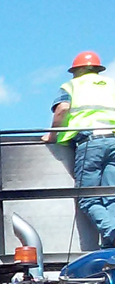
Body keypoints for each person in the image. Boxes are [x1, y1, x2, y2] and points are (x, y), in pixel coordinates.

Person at [45, 51, 115, 247]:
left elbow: (62, 109)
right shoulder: (111, 85)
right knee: (111, 195)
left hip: (90, 143)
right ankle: (111, 243)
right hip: (114, 142)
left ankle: (111, 233)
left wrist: (52, 135)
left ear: (78, 70)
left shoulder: (71, 86)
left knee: (86, 198)